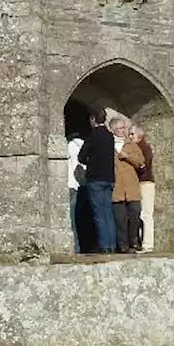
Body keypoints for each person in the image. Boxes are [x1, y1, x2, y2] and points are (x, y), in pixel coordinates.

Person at [78, 108, 117, 254]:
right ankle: (112, 245)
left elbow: (81, 157)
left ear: (93, 119)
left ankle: (104, 245)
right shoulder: (110, 136)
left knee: (99, 212)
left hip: (95, 179)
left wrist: (90, 161)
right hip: (110, 178)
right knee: (108, 211)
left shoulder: (92, 135)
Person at [111, 118, 145, 254]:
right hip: (117, 188)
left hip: (132, 187)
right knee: (120, 219)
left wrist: (127, 156)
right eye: (120, 128)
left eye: (124, 128)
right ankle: (123, 245)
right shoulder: (109, 144)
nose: (124, 131)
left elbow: (141, 162)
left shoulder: (131, 145)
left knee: (135, 215)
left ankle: (135, 241)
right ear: (113, 130)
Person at [131, 124, 155, 253]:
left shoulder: (144, 148)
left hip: (146, 183)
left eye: (132, 134)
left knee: (146, 214)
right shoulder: (138, 147)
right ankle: (142, 243)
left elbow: (143, 165)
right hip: (141, 183)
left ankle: (148, 245)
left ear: (140, 135)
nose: (130, 136)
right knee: (141, 214)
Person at [67, 132, 87, 254]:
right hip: (79, 184)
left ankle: (75, 248)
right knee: (81, 218)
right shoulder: (83, 146)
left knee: (70, 220)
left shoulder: (69, 146)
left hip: (68, 184)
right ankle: (82, 246)